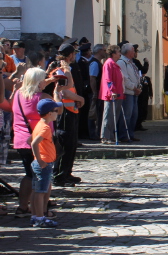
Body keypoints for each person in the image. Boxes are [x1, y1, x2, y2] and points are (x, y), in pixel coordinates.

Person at [12, 68, 63, 218]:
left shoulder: (18, 94)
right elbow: (58, 110)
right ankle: (43, 211)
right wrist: (57, 92)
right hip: (41, 142)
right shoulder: (43, 97)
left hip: (22, 139)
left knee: (29, 175)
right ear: (38, 81)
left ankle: (22, 207)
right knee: (44, 178)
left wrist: (49, 80)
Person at [48, 44, 86, 187]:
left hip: (71, 111)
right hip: (64, 113)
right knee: (65, 144)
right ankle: (59, 175)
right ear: (69, 55)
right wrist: (79, 98)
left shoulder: (65, 70)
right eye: (73, 53)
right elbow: (63, 91)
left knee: (71, 145)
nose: (75, 55)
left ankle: (67, 172)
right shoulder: (60, 71)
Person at [29, 99, 64, 228]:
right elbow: (33, 143)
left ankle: (34, 216)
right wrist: (40, 159)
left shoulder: (39, 125)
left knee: (36, 190)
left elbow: (30, 140)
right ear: (49, 113)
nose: (57, 113)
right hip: (43, 163)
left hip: (39, 162)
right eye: (55, 111)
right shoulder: (45, 128)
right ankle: (39, 218)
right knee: (41, 192)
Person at [100, 45, 125, 144]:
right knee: (108, 115)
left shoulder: (115, 64)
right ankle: (105, 137)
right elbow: (108, 79)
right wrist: (112, 91)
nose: (120, 53)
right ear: (113, 53)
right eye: (118, 51)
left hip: (118, 93)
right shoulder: (109, 64)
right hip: (111, 94)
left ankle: (110, 136)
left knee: (114, 115)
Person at [117, 43, 142, 142]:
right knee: (126, 115)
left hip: (134, 92)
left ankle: (130, 134)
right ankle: (123, 135)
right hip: (128, 92)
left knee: (134, 115)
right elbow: (125, 79)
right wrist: (134, 88)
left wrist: (138, 87)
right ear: (128, 52)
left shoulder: (130, 62)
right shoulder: (122, 62)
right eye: (133, 50)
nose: (134, 52)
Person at [87, 44, 106, 139]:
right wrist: (94, 91)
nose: (105, 52)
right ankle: (93, 133)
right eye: (104, 50)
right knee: (94, 113)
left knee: (98, 112)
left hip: (99, 92)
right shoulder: (94, 63)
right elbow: (92, 78)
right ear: (99, 51)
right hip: (96, 92)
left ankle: (97, 132)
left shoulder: (98, 62)